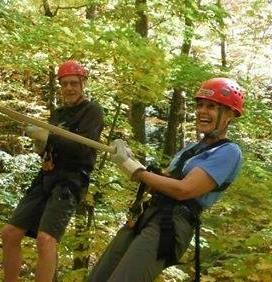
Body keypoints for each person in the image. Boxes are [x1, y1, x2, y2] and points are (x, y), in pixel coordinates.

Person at [88, 77, 244, 282]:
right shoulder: (192, 149)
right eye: (200, 105)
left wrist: (137, 172)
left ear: (230, 114)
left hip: (172, 223)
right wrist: (129, 160)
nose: (202, 111)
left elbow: (184, 190)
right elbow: (163, 181)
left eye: (212, 107)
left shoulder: (229, 152)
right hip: (150, 212)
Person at [1, 60, 104, 282]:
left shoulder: (92, 111)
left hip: (72, 180)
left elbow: (83, 147)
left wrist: (49, 137)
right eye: (65, 84)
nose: (69, 88)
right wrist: (44, 151)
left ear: (83, 83)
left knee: (46, 239)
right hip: (47, 177)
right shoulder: (58, 114)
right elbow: (51, 147)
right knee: (9, 233)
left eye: (74, 83)